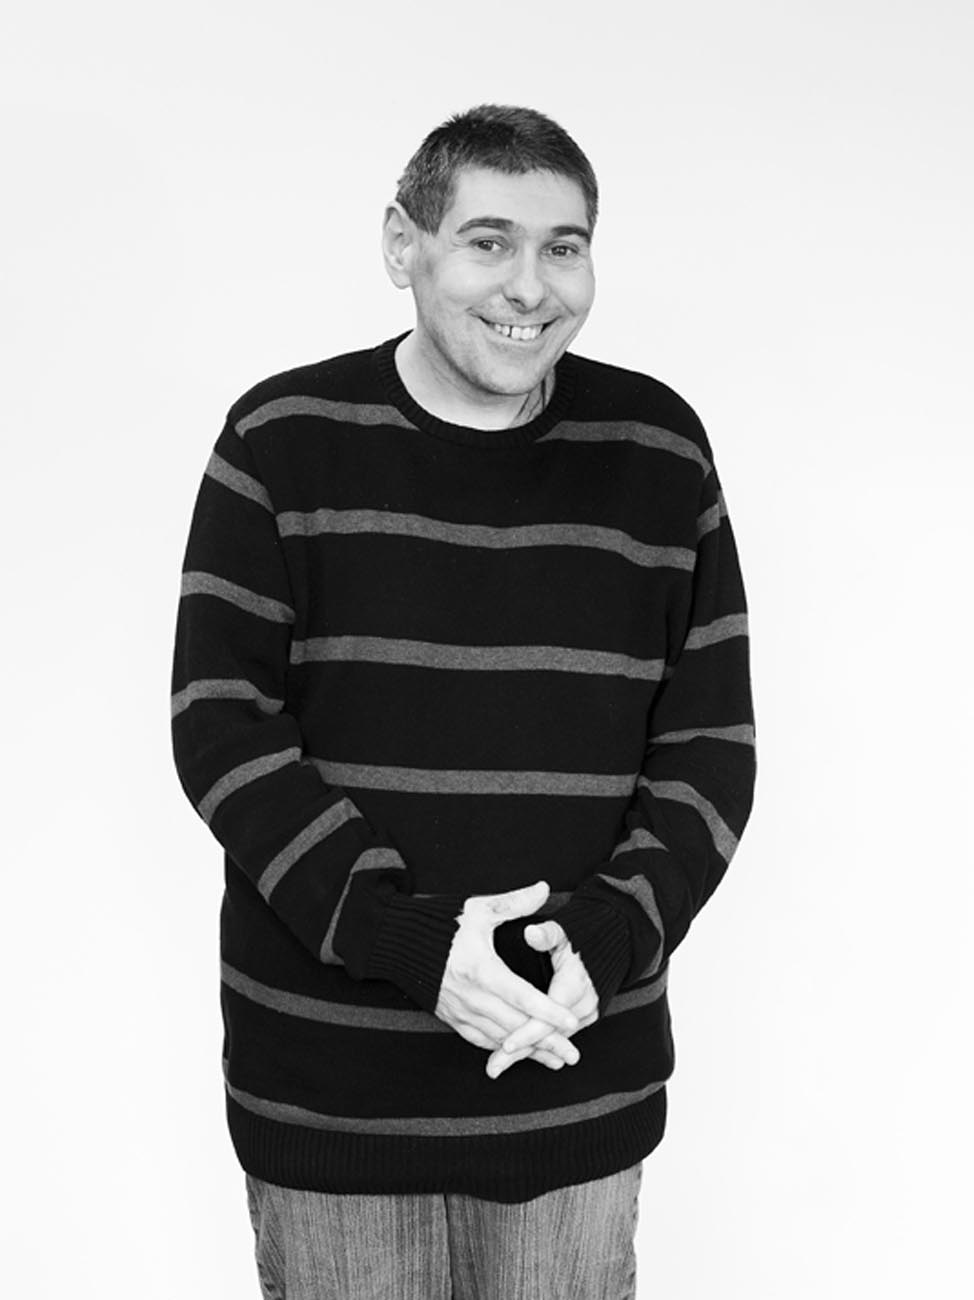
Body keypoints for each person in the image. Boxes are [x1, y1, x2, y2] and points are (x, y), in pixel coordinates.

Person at [171, 103, 756, 1299]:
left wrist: (612, 932)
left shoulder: (657, 451)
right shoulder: (281, 441)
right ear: (404, 244)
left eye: (562, 246)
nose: (529, 286)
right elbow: (221, 726)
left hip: (571, 1067)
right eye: (488, 241)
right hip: (331, 1086)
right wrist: (406, 940)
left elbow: (708, 744)